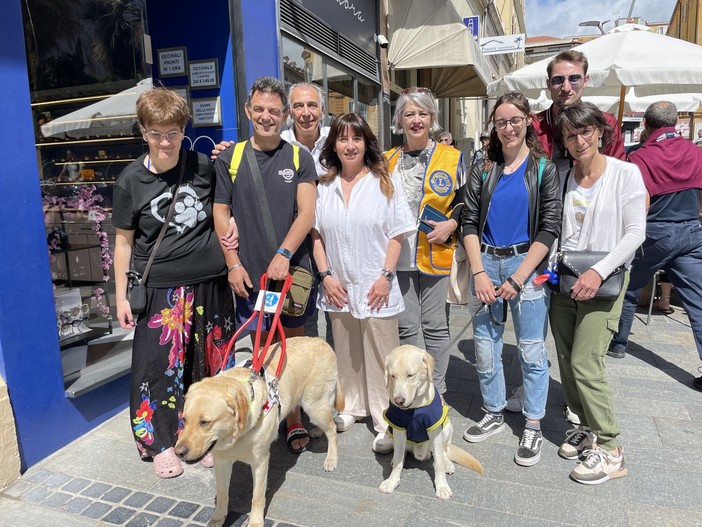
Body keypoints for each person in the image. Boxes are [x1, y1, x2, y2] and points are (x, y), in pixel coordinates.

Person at [112, 88, 235, 478]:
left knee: (209, 368)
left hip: (211, 284)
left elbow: (229, 204)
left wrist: (229, 155)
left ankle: (203, 438)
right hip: (161, 291)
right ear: (143, 131)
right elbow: (123, 243)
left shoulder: (203, 166)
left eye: (173, 132)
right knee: (157, 370)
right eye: (155, 133)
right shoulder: (131, 180)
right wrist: (120, 297)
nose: (165, 142)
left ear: (184, 130)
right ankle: (161, 443)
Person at [506, 49, 627, 420]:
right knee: (536, 314)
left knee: (578, 324)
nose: (566, 85)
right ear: (548, 84)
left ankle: (578, 394)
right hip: (538, 233)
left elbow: (619, 175)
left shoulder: (603, 123)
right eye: (558, 79)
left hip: (583, 238)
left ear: (585, 80)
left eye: (574, 78)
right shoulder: (534, 123)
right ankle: (534, 382)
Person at [212, 76, 318, 454]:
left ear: (285, 115)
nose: (266, 117)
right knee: (257, 351)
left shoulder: (298, 158)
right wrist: (232, 264)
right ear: (248, 111)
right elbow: (220, 212)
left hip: (289, 276)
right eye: (259, 110)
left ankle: (292, 419)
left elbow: (306, 213)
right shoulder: (231, 158)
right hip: (249, 277)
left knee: (291, 347)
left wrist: (284, 255)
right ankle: (259, 414)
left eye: (274, 111)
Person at [459, 92, 561, 467]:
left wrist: (519, 277)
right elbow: (468, 221)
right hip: (486, 262)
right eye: (501, 121)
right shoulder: (484, 167)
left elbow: (550, 228)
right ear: (494, 127)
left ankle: (533, 422)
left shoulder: (541, 169)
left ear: (527, 121)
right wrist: (480, 272)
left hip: (527, 266)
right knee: (485, 347)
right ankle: (494, 411)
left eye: (515, 119)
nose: (508, 127)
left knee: (532, 349)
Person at [550, 101, 646, 484]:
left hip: (603, 284)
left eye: (585, 131)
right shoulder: (563, 175)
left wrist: (598, 270)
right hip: (564, 281)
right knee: (566, 358)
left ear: (601, 133)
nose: (578, 140)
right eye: (570, 135)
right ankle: (586, 427)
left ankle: (610, 448)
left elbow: (636, 233)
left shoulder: (626, 173)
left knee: (586, 363)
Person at [311, 112, 416, 453]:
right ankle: (351, 406)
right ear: (334, 145)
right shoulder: (322, 185)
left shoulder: (383, 180)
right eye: (343, 138)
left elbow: (397, 233)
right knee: (347, 352)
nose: (350, 145)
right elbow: (315, 234)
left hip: (375, 284)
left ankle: (387, 420)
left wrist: (386, 276)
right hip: (338, 285)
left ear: (366, 143)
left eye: (356, 138)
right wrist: (325, 275)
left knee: (383, 355)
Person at [607, 101, 702, 391]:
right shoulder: (696, 152)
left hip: (655, 233)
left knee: (628, 288)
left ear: (645, 125)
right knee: (698, 302)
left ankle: (619, 343)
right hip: (691, 230)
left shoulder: (640, 157)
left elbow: (635, 202)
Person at [384, 87, 466, 404]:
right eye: (409, 114)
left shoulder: (452, 157)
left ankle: (436, 391)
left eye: (422, 113)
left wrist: (453, 223)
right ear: (400, 120)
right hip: (399, 257)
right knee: (405, 328)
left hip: (435, 253)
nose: (416, 120)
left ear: (432, 117)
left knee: (434, 326)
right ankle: (405, 389)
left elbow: (465, 203)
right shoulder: (387, 159)